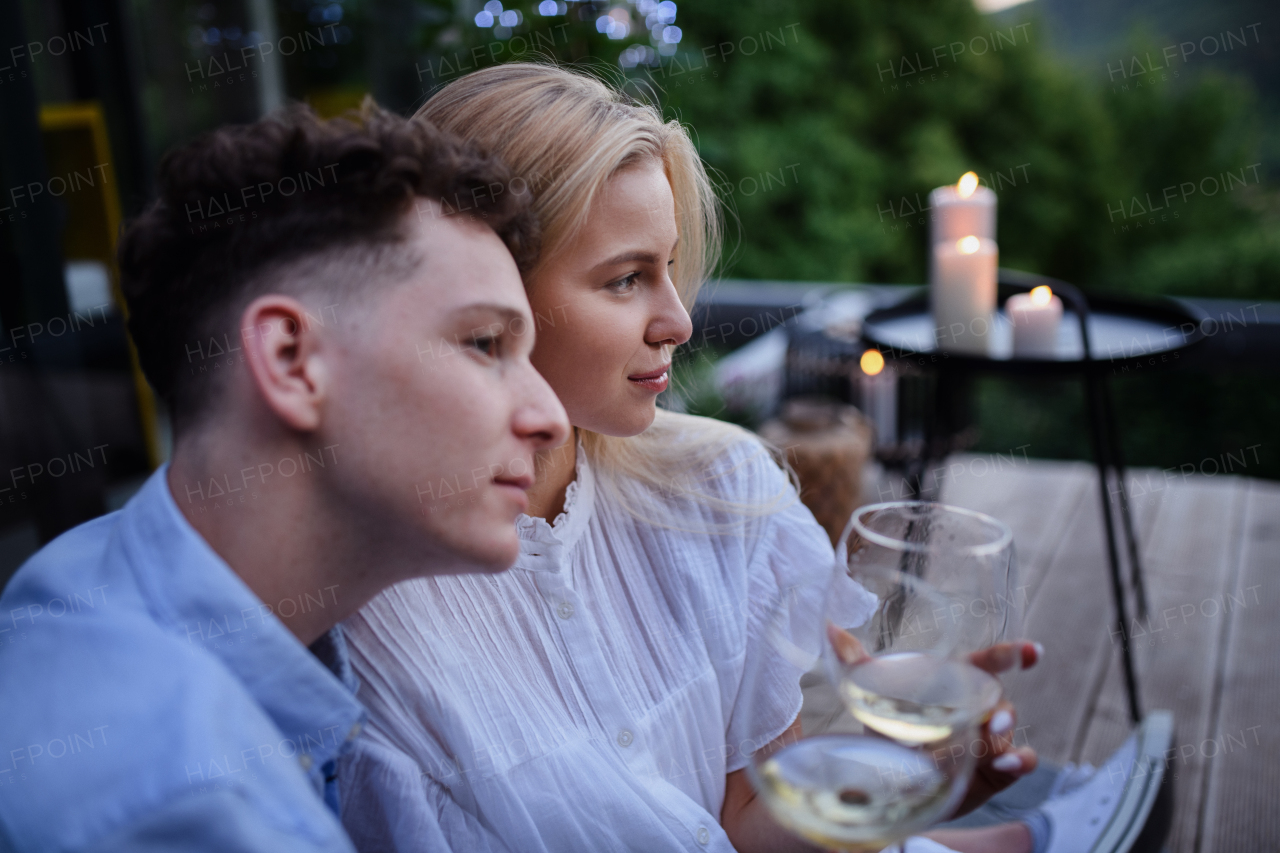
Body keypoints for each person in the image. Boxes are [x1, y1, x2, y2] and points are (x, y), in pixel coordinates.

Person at [339, 64, 1138, 853]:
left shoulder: (719, 491)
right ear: (484, 301)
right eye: (626, 280)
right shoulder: (363, 615)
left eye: (670, 266)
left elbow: (744, 822)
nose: (678, 321)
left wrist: (895, 780)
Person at [0, 102, 569, 852]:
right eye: (484, 342)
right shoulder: (186, 801)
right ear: (291, 361)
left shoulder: (82, 577)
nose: (550, 415)